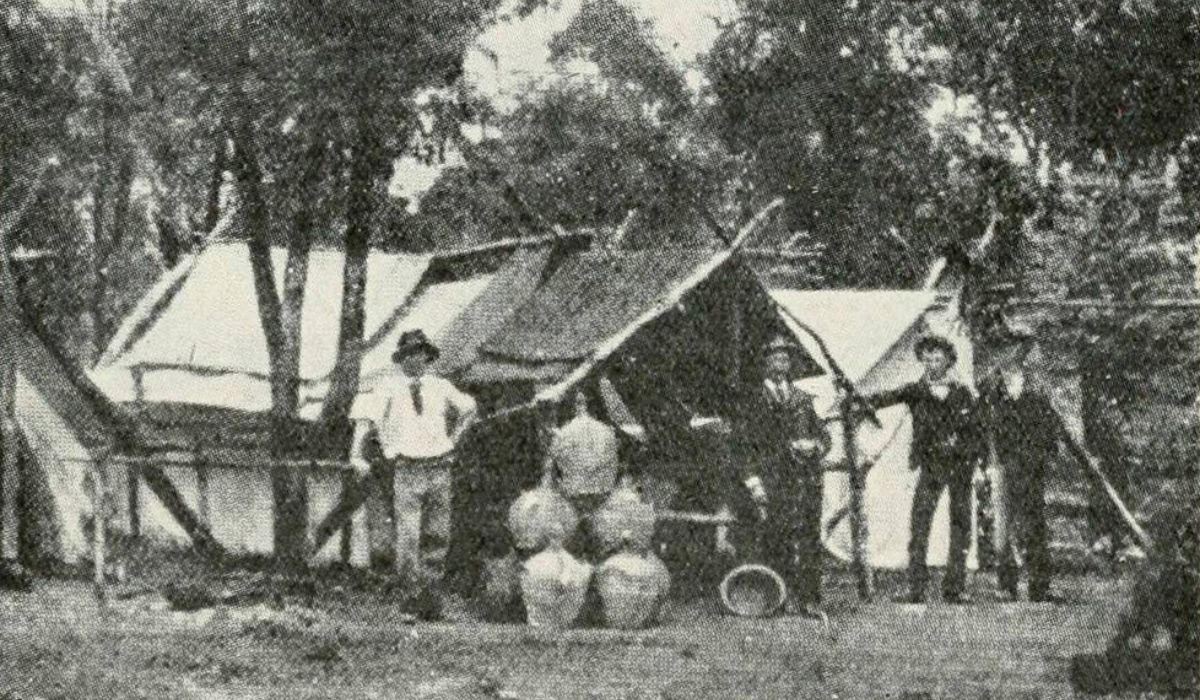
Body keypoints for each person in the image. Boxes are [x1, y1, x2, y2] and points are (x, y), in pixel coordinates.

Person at [859, 334, 986, 604]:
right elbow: (884, 398)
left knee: (960, 527)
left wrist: (972, 459)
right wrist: (857, 399)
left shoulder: (963, 394)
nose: (932, 363)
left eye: (938, 358)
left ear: (949, 361)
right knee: (919, 526)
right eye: (927, 358)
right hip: (931, 467)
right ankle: (916, 589)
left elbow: (977, 431)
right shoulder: (916, 391)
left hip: (960, 467)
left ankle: (955, 589)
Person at [349, 329, 478, 581]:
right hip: (407, 468)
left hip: (440, 467)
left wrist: (453, 440)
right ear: (401, 359)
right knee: (409, 533)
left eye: (419, 354)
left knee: (438, 532)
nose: (414, 360)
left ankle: (430, 591)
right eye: (408, 354)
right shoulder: (388, 387)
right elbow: (364, 419)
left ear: (427, 357)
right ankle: (410, 590)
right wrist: (356, 455)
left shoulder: (441, 386)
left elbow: (469, 408)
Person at [737, 335, 831, 617]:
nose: (782, 363)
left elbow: (823, 436)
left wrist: (815, 445)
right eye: (776, 358)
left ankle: (809, 598)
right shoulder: (753, 401)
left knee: (809, 538)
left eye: (786, 358)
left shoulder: (802, 399)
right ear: (765, 363)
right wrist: (753, 483)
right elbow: (743, 446)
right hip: (772, 480)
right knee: (775, 537)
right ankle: (776, 596)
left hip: (805, 480)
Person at [979, 330, 1065, 602]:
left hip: (1031, 464)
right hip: (1003, 463)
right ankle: (1007, 585)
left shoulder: (1035, 387)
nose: (1007, 354)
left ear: (1021, 352)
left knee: (1035, 523)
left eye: (1013, 348)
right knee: (1002, 525)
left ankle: (1040, 586)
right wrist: (987, 463)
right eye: (1001, 349)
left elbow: (1049, 423)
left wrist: (1046, 452)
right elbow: (983, 429)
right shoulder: (990, 389)